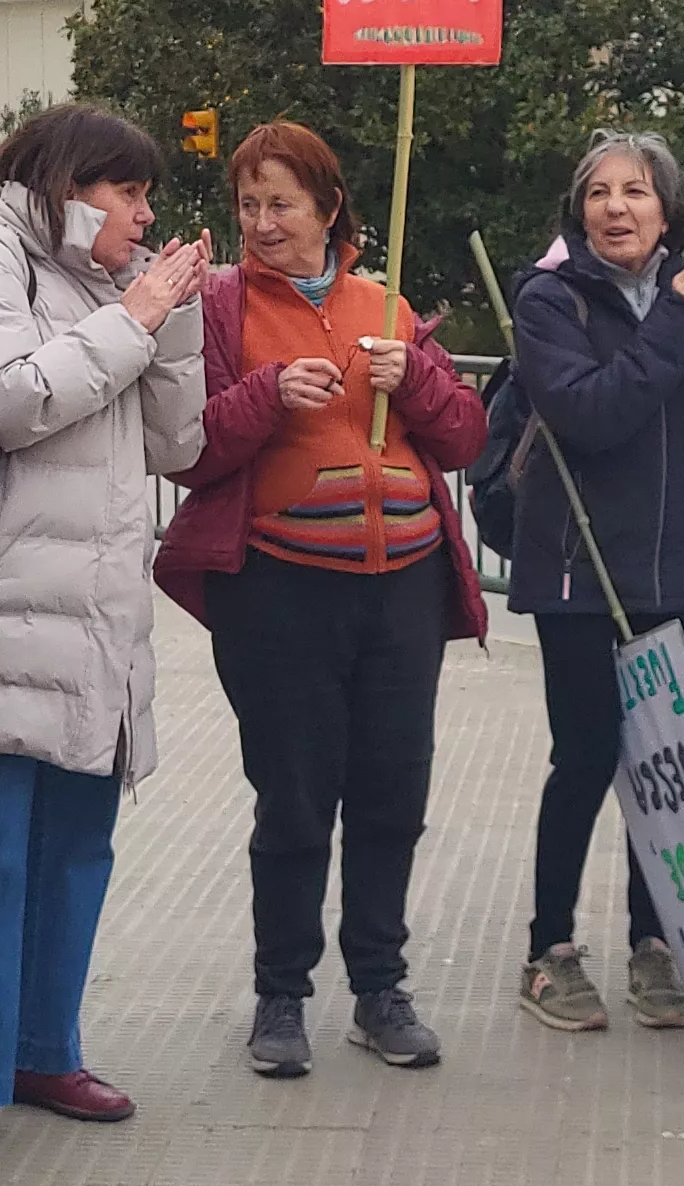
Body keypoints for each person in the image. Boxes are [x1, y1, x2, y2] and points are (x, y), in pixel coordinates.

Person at [0, 104, 208, 1172]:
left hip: (98, 618)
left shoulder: (119, 281)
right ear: (73, 186)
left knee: (74, 850)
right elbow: (17, 398)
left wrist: (172, 319)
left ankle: (39, 1048)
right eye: (129, 193)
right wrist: (135, 314)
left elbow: (177, 442)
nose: (145, 214)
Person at [158, 123, 489, 1078]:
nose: (263, 224)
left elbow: (463, 438)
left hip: (404, 590)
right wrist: (267, 396)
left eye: (282, 205)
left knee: (394, 792)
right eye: (249, 205)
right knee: (296, 799)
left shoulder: (383, 304)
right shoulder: (219, 311)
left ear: (329, 209)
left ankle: (380, 988)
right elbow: (187, 450)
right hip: (281, 590)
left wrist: (416, 375)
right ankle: (281, 994)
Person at [497, 135, 684, 1035]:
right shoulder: (550, 299)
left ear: (669, 210)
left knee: (664, 761)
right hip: (576, 571)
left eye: (638, 192)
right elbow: (596, 414)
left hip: (670, 569)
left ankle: (657, 944)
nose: (617, 208)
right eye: (599, 193)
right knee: (585, 759)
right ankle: (550, 950)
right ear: (578, 211)